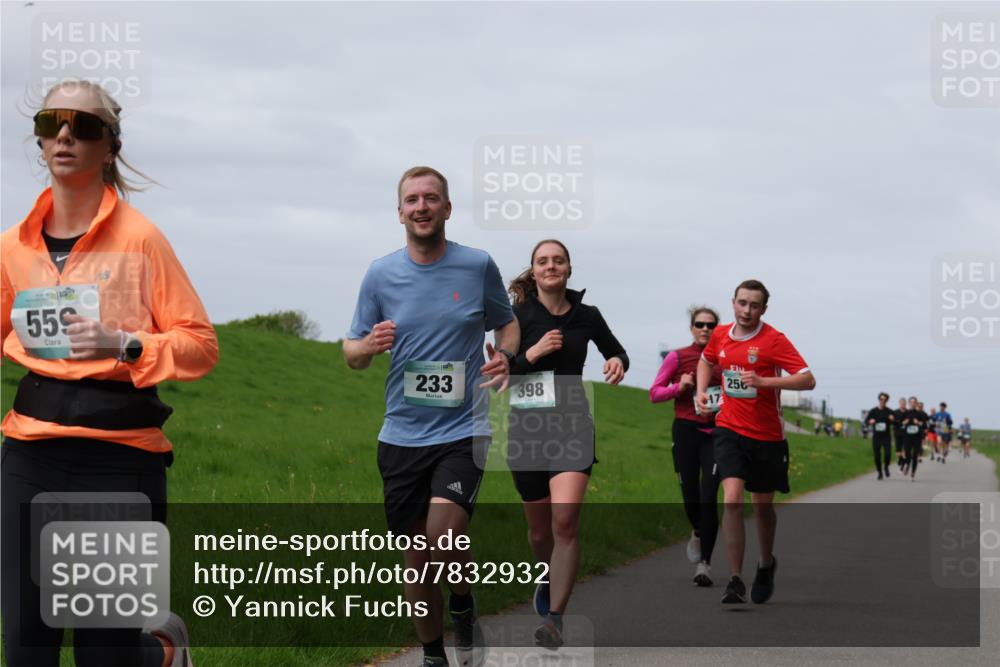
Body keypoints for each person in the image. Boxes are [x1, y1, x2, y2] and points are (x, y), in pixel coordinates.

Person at [1, 80, 218, 667]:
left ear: (110, 147)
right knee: (26, 642)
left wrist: (123, 345)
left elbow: (200, 346)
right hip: (31, 452)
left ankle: (163, 650)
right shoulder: (12, 249)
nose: (66, 134)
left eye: (84, 125)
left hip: (119, 459)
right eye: (52, 123)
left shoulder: (142, 240)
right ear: (41, 142)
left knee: (105, 653)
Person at [343, 166, 518, 667]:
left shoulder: (477, 265)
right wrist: (367, 347)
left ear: (447, 208)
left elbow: (506, 324)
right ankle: (434, 653)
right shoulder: (380, 274)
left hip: (464, 429)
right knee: (417, 561)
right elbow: (352, 353)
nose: (422, 206)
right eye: (412, 199)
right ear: (400, 212)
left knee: (443, 538)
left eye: (432, 198)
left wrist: (505, 355)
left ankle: (461, 602)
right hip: (401, 434)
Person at [506, 239, 628, 648]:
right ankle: (546, 572)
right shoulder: (515, 316)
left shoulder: (587, 316)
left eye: (558, 260)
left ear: (569, 268)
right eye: (543, 261)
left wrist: (616, 362)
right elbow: (500, 374)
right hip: (527, 433)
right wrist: (534, 353)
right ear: (534, 270)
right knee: (540, 533)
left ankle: (555, 619)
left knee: (564, 522)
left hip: (573, 428)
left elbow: (617, 351)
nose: (551, 266)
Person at [696, 279, 815, 605]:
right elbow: (707, 361)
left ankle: (765, 563)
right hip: (729, 429)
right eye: (742, 303)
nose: (747, 310)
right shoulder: (720, 334)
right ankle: (735, 579)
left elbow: (807, 379)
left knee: (763, 508)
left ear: (763, 309)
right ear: (733, 303)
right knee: (732, 499)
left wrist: (764, 381)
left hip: (766, 437)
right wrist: (702, 391)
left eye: (754, 305)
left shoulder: (774, 340)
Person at [650, 306, 722, 587]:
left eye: (710, 325)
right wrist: (678, 388)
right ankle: (697, 529)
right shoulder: (677, 357)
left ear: (717, 328)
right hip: (685, 432)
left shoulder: (725, 360)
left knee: (708, 496)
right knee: (690, 495)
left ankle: (705, 564)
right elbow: (654, 394)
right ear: (692, 328)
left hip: (717, 434)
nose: (705, 329)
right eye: (699, 324)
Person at [866, 393, 894, 480]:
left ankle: (886, 466)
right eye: (881, 399)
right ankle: (879, 472)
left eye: (885, 400)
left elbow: (896, 423)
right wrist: (870, 421)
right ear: (879, 400)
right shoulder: (873, 411)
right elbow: (866, 421)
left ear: (887, 401)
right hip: (877, 436)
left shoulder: (890, 411)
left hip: (886, 436)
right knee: (877, 456)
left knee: (888, 454)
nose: (883, 401)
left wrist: (892, 419)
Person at [901, 397, 929, 481]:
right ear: (909, 403)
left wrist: (919, 423)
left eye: (914, 402)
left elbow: (925, 425)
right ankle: (907, 464)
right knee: (908, 455)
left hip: (917, 437)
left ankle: (913, 474)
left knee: (915, 456)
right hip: (907, 436)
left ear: (916, 403)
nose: (913, 403)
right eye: (911, 402)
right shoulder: (905, 413)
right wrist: (904, 422)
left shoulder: (920, 414)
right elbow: (899, 423)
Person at [893, 397, 908, 473]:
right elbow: (893, 422)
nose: (903, 404)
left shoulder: (908, 412)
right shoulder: (895, 412)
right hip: (898, 433)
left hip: (906, 434)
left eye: (904, 403)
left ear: (906, 404)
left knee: (905, 451)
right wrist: (901, 422)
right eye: (901, 403)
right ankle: (902, 461)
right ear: (899, 403)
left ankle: (903, 465)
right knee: (898, 453)